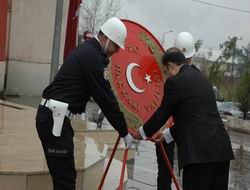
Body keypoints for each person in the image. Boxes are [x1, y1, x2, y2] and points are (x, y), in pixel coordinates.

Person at [35, 17, 135, 190]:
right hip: (55, 120)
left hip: (54, 118)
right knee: (65, 180)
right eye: (116, 46)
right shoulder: (93, 58)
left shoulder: (88, 51)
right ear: (106, 39)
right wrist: (124, 131)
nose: (117, 51)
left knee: (64, 176)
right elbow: (106, 99)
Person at [130, 47, 235, 190]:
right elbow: (194, 118)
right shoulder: (203, 80)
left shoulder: (175, 83)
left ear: (171, 66)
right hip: (221, 151)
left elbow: (161, 115)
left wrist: (141, 133)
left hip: (199, 155)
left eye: (166, 72)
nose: (167, 76)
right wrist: (166, 134)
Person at [154, 31, 196, 190]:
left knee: (190, 171)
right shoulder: (165, 70)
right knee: (164, 173)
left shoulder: (195, 76)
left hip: (184, 129)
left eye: (188, 60)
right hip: (164, 126)